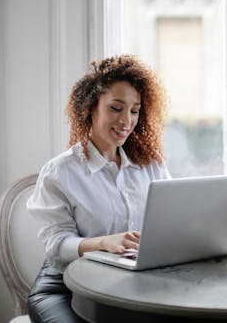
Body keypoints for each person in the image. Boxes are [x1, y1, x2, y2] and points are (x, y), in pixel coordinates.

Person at [27, 54, 171, 323]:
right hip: (64, 286)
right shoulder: (60, 172)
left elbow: (171, 218)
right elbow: (57, 246)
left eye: (134, 110)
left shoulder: (150, 165)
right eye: (116, 108)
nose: (126, 120)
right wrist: (104, 243)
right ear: (91, 107)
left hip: (129, 285)